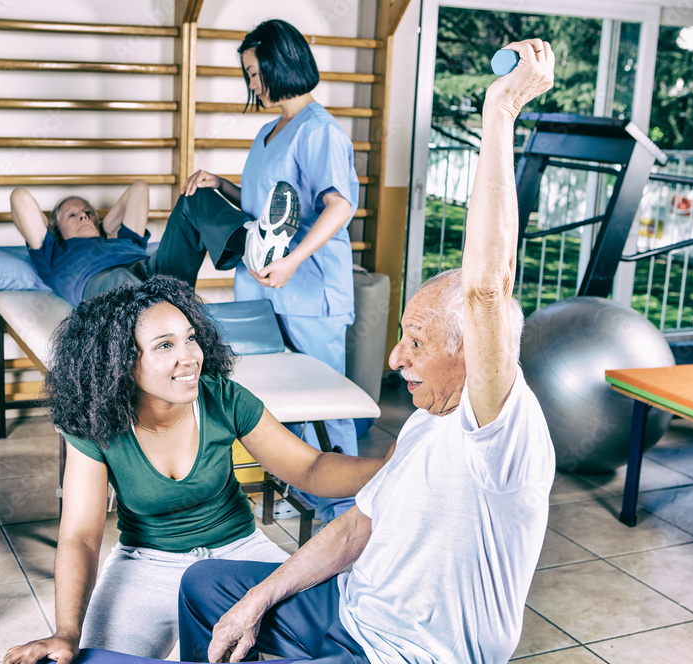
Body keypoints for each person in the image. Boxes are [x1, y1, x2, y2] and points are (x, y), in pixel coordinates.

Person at [176, 38, 558, 664]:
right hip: (349, 608)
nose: (394, 359)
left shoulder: (501, 431)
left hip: (403, 652)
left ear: (475, 354)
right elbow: (357, 524)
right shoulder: (423, 426)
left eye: (416, 342)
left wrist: (501, 114)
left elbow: (487, 288)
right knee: (205, 588)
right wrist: (259, 599)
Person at [2, 275, 393, 664]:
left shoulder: (222, 397)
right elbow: (81, 536)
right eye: (165, 346)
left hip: (240, 553)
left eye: (190, 338)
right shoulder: (98, 425)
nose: (189, 356)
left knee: (348, 640)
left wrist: (389, 466)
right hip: (146, 564)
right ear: (121, 362)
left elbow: (310, 467)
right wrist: (66, 631)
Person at [181, 19, 362, 523]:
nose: (252, 85)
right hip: (263, 285)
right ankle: (304, 488)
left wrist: (292, 261)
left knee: (326, 404)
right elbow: (263, 207)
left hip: (308, 289)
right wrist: (219, 183)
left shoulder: (321, 131)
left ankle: (345, 511)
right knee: (279, 397)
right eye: (248, 75)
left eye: (256, 73)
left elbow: (338, 205)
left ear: (282, 65)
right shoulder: (267, 133)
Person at [10, 177, 299, 307]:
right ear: (56, 229)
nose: (84, 216)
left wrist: (104, 226)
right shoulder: (53, 253)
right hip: (103, 282)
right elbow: (19, 197)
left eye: (88, 212)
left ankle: (252, 248)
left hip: (153, 269)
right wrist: (99, 224)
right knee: (122, 280)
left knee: (193, 195)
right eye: (72, 215)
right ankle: (169, 317)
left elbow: (139, 187)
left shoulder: (122, 239)